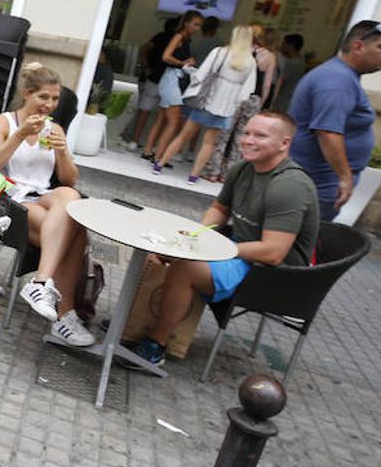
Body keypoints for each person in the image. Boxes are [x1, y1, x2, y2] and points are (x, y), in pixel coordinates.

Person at [130, 111, 319, 367]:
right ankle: (133, 325)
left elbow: (273, 252)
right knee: (162, 249)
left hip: (275, 275)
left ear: (284, 144)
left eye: (260, 135)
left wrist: (213, 250)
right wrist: (195, 236)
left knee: (185, 267)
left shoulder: (290, 185)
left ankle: (156, 345)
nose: (248, 140)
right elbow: (220, 209)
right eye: (247, 133)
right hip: (243, 250)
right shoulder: (243, 169)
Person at [0, 62, 95, 346]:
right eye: (43, 97)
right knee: (76, 232)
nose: (50, 104)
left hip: (43, 199)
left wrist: (62, 152)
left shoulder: (54, 128)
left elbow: (69, 180)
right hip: (8, 201)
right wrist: (20, 135)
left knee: (70, 198)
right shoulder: (4, 122)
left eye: (55, 98)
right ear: (27, 94)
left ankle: (40, 283)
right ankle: (64, 317)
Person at [289, 20, 381, 221]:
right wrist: (344, 177)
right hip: (318, 182)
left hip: (317, 181)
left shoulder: (342, 76)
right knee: (300, 241)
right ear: (358, 46)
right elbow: (328, 132)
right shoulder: (336, 80)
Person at [152, 24, 256, 183]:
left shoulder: (220, 52)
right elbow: (247, 91)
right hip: (225, 107)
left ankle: (160, 164)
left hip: (207, 100)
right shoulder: (250, 62)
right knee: (209, 142)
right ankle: (193, 176)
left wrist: (189, 72)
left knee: (184, 135)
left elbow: (201, 74)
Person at [200, 23, 278, 183]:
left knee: (223, 134)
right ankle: (228, 174)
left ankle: (212, 171)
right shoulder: (270, 57)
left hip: (235, 96)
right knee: (243, 137)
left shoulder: (240, 51)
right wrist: (262, 104)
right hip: (254, 99)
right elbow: (267, 84)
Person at [141, 10, 204, 161]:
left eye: (199, 25)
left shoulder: (186, 39)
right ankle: (159, 157)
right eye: (195, 24)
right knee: (173, 123)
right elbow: (166, 56)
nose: (197, 28)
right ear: (186, 23)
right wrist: (183, 63)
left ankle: (149, 150)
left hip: (171, 79)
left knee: (162, 119)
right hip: (172, 80)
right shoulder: (179, 36)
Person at [121, 18, 178, 150]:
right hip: (154, 78)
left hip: (151, 77)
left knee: (144, 110)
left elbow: (144, 49)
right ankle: (133, 137)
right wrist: (146, 66)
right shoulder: (168, 39)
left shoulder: (160, 37)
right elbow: (144, 49)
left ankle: (132, 138)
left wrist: (146, 66)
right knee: (149, 112)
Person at [271, 33, 305, 112]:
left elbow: (281, 82)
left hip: (283, 99)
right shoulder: (301, 60)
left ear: (291, 46)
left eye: (284, 43)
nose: (281, 46)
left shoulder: (291, 64)